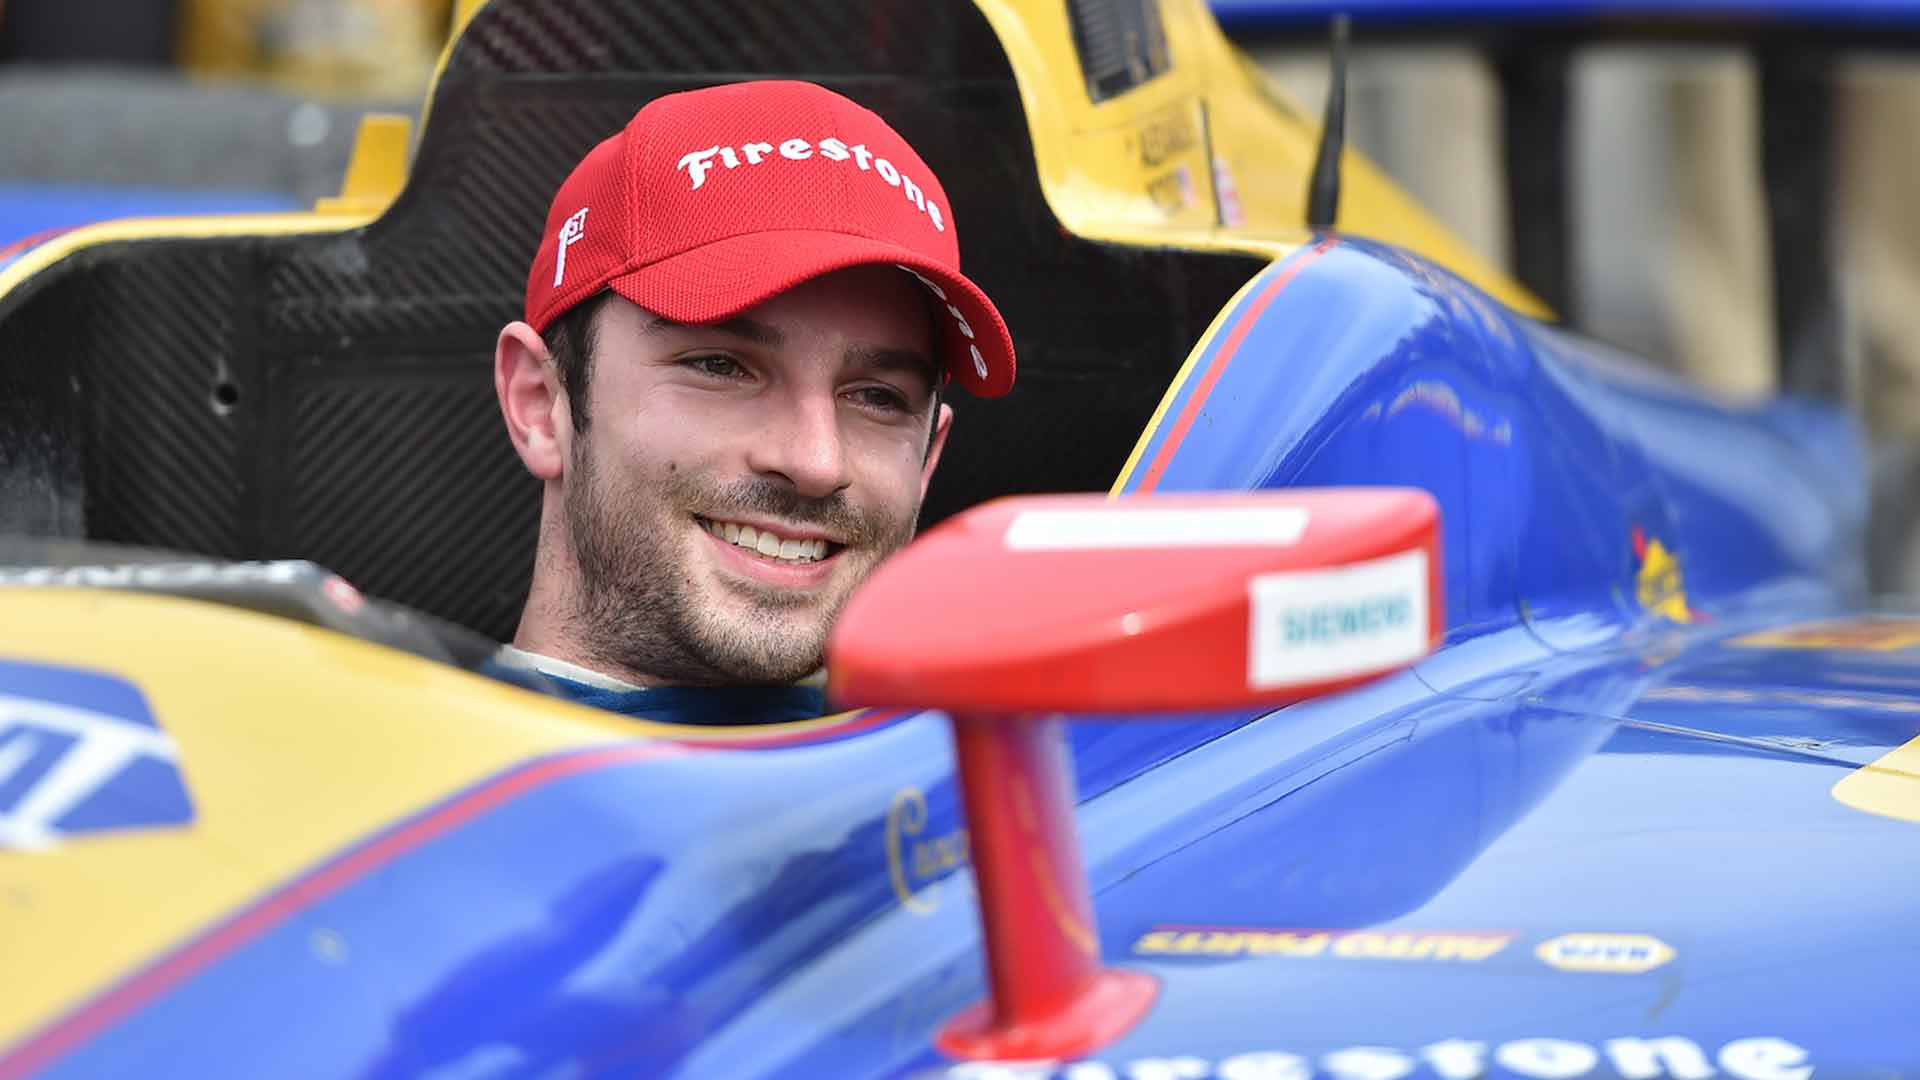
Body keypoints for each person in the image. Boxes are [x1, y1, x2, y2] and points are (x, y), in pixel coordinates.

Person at [487, 80, 1016, 724]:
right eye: (721, 366)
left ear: (928, 457)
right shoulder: (384, 801)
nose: (817, 461)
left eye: (877, 398)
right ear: (541, 404)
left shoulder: (1026, 789)